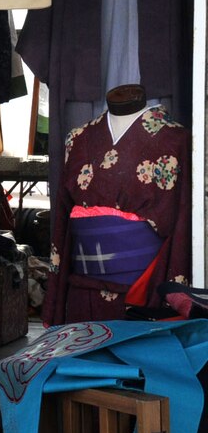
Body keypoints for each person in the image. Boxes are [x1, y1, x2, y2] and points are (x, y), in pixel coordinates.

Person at [43, 84, 191, 326]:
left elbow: (184, 220)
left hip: (144, 287)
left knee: (139, 356)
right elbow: (62, 223)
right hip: (82, 289)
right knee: (84, 357)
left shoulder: (176, 141)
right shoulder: (78, 139)